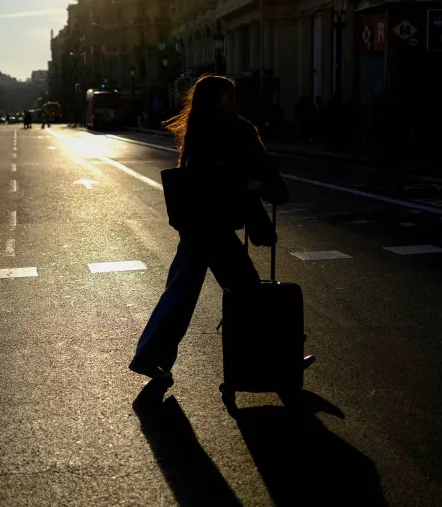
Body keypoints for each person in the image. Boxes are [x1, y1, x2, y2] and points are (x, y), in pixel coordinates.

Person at [130, 75, 312, 381]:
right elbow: (253, 176)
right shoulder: (236, 130)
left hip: (196, 225)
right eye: (228, 98)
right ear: (215, 101)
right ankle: (280, 361)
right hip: (214, 229)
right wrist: (252, 187)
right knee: (248, 293)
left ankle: (149, 356)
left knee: (181, 293)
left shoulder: (198, 131)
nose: (233, 103)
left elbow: (203, 179)